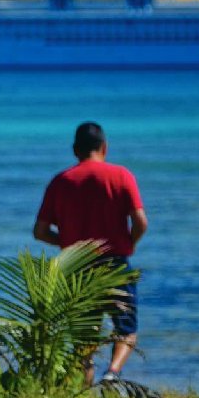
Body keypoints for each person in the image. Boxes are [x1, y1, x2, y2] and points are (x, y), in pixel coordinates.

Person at [33, 121, 148, 384]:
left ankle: (84, 390)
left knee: (85, 335)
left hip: (76, 268)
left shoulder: (61, 182)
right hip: (115, 263)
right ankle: (112, 373)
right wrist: (129, 243)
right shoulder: (121, 176)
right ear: (104, 147)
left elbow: (39, 231)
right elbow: (141, 221)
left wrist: (67, 245)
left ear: (75, 150)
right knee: (126, 329)